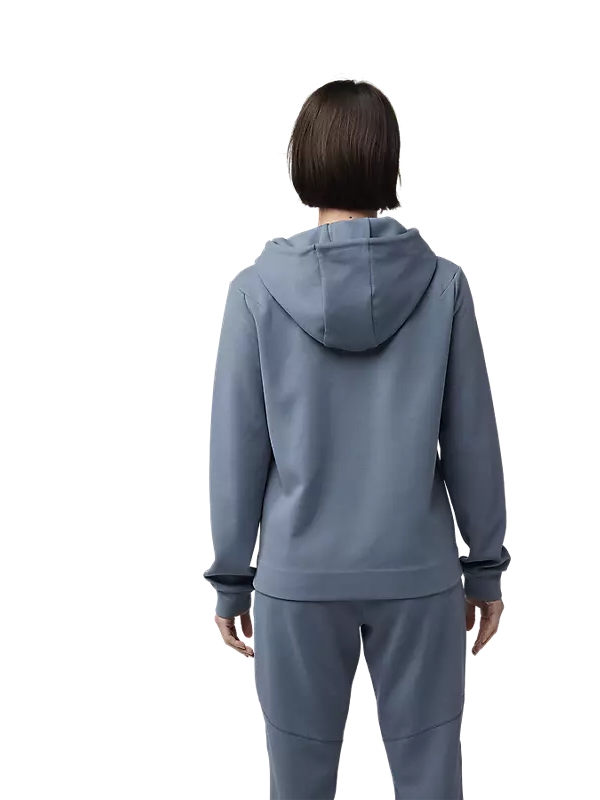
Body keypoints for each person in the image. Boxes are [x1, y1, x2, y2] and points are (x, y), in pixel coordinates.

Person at [203, 79, 511, 800]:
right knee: (431, 782)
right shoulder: (443, 286)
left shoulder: (255, 291)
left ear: (302, 161)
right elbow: (472, 439)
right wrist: (485, 567)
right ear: (387, 162)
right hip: (418, 575)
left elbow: (236, 450)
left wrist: (231, 577)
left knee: (298, 787)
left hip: (298, 581)